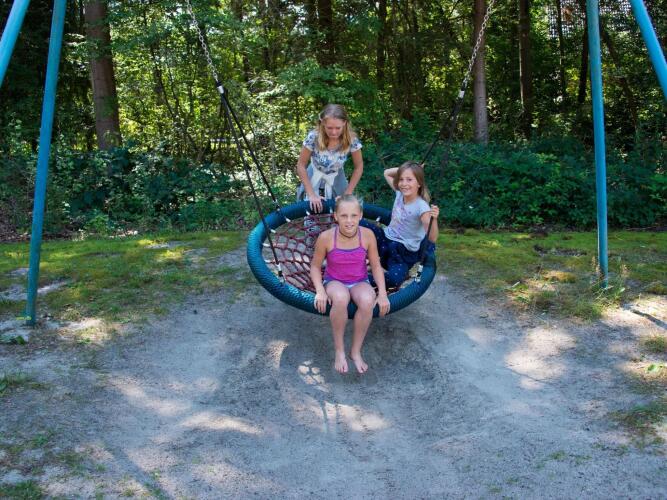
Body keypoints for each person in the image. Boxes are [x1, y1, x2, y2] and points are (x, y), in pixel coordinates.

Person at [310, 194, 390, 374]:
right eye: (344, 216)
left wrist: (383, 294)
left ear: (360, 215)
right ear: (335, 216)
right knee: (340, 298)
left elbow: (376, 266)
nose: (349, 221)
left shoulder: (367, 235)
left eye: (354, 215)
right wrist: (320, 291)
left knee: (368, 300)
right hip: (334, 281)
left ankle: (355, 351)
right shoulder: (326, 237)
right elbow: (315, 267)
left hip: (359, 281)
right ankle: (339, 350)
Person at [363, 161, 439, 289]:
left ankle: (361, 279)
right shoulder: (399, 193)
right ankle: (356, 259)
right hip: (385, 238)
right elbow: (387, 173)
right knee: (357, 224)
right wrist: (411, 168)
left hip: (402, 251)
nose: (404, 184)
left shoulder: (422, 207)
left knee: (394, 279)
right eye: (401, 179)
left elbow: (432, 238)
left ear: (419, 183)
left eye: (409, 180)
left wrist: (434, 219)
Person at [296, 104, 363, 213]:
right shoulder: (313, 137)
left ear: (344, 123)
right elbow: (301, 165)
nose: (334, 132)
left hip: (337, 179)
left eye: (338, 128)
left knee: (341, 212)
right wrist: (311, 194)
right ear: (323, 123)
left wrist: (348, 193)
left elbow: (359, 167)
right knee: (311, 213)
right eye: (329, 128)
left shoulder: (352, 140)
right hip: (313, 178)